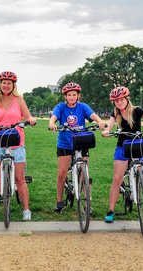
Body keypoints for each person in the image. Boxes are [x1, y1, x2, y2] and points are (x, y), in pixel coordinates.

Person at [102, 86, 143, 228]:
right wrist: (106, 131)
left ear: (126, 98)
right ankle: (111, 211)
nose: (119, 102)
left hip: (138, 147)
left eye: (121, 99)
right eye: (116, 100)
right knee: (117, 179)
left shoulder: (137, 110)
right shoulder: (115, 114)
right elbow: (110, 125)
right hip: (123, 147)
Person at [0, 71, 36, 221]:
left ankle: (26, 209)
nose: (6, 85)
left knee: (20, 178)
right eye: (3, 83)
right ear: (0, 84)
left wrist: (31, 119)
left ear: (13, 85)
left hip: (16, 140)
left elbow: (28, 115)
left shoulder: (19, 100)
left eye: (9, 83)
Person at [48, 82, 105, 213]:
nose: (72, 97)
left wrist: (100, 121)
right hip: (65, 143)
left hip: (81, 142)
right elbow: (54, 117)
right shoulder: (61, 107)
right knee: (62, 173)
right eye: (69, 95)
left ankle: (87, 202)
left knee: (84, 174)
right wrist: (52, 123)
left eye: (74, 94)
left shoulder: (83, 107)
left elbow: (92, 115)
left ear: (78, 96)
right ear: (65, 96)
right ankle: (59, 202)